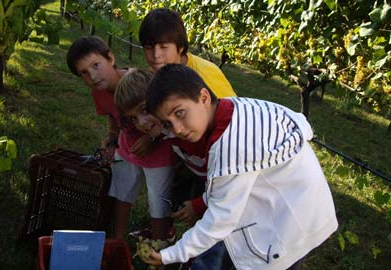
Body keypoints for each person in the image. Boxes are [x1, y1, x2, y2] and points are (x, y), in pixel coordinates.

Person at [144, 64, 339, 270]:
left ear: (203, 98)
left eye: (180, 113)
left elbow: (220, 221)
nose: (178, 129)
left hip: (289, 224)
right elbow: (232, 181)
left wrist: (170, 255)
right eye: (167, 123)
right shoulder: (230, 108)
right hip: (298, 204)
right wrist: (203, 201)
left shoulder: (231, 145)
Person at [66, 36, 176, 241]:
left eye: (96, 65)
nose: (93, 76)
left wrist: (151, 138)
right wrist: (112, 136)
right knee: (121, 192)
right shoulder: (98, 93)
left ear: (111, 58)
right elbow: (112, 116)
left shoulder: (140, 83)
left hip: (159, 152)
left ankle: (160, 247)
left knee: (158, 203)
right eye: (84, 73)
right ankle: (117, 240)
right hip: (127, 148)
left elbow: (165, 114)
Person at [139, 6, 238, 231]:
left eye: (164, 47)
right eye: (149, 48)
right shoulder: (163, 72)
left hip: (218, 160)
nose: (156, 56)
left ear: (181, 47)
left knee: (214, 212)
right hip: (192, 155)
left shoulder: (205, 77)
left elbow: (230, 127)